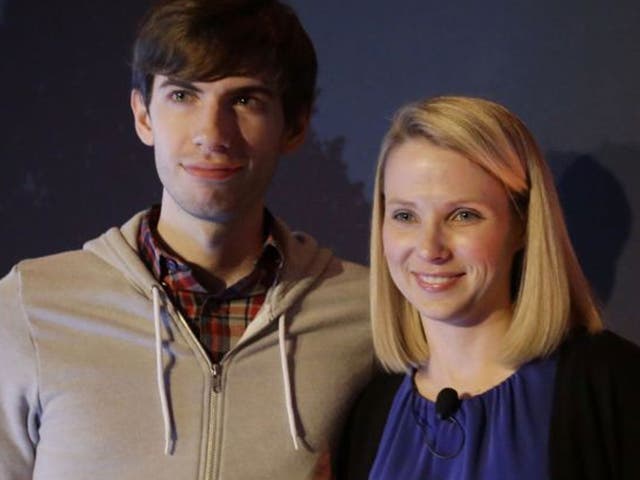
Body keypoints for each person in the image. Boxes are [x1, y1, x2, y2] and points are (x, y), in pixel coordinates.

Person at [0, 1, 374, 478]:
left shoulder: (366, 316)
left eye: (245, 100)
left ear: (295, 126)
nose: (212, 133)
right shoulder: (29, 308)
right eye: (183, 96)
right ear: (143, 116)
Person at [336, 96, 640, 479]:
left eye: (463, 215)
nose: (430, 248)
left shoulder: (614, 384)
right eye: (405, 215)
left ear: (522, 225)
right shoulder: (370, 409)